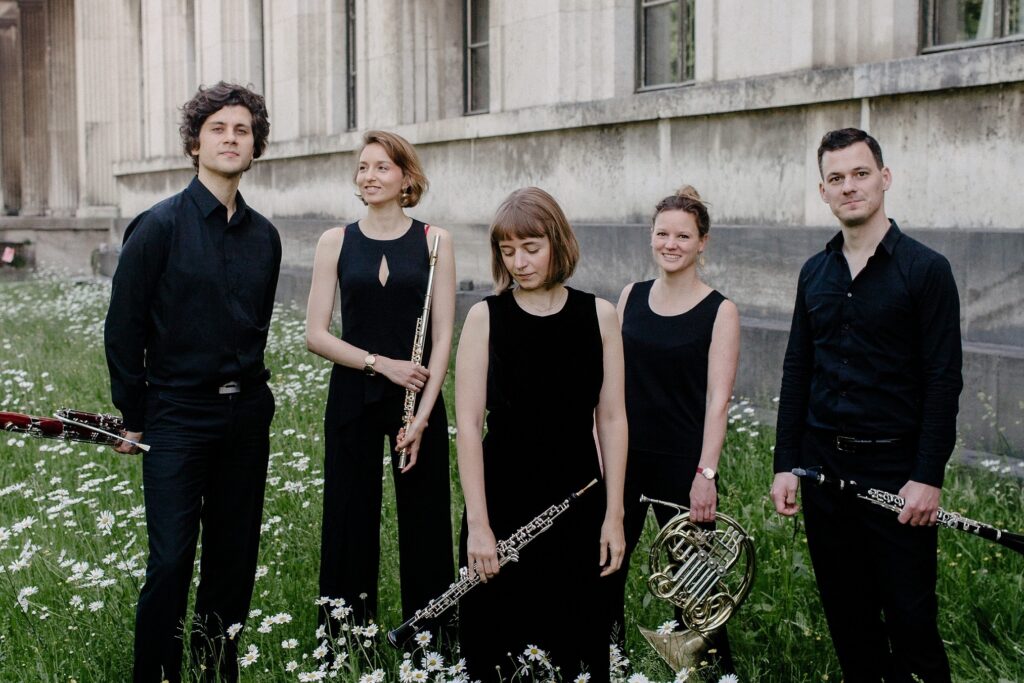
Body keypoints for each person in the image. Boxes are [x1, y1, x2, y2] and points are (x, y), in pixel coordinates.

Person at [770, 128, 963, 682]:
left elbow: (942, 380)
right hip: (823, 472)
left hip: (896, 473)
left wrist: (927, 476)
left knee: (911, 622)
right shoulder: (814, 272)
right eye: (836, 178)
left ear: (885, 177)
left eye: (860, 173)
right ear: (823, 191)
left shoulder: (926, 270)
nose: (849, 186)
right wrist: (786, 463)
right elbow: (797, 369)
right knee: (849, 623)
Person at [104, 82, 280, 683]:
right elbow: (123, 330)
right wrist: (133, 415)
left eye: (242, 130)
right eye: (218, 129)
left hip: (246, 416)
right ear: (195, 143)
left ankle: (215, 673)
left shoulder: (265, 237)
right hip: (176, 415)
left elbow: (255, 326)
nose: (231, 139)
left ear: (255, 146)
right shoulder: (156, 227)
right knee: (172, 562)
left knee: (233, 561)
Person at [455, 187, 627, 682]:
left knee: (575, 647)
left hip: (579, 499)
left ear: (558, 242)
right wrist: (479, 526)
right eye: (508, 251)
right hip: (502, 501)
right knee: (500, 649)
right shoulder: (485, 317)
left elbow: (612, 419)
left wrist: (614, 514)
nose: (519, 263)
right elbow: (468, 426)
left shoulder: (600, 315)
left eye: (531, 248)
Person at [305, 131, 456, 637]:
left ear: (407, 177)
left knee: (426, 519)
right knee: (348, 515)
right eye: (363, 167)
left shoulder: (435, 241)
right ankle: (345, 638)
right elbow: (316, 335)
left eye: (382, 167)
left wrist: (425, 415)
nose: (369, 176)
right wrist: (381, 364)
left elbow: (442, 338)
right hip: (354, 394)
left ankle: (429, 638)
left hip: (418, 397)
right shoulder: (335, 241)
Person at [605, 186, 740, 668]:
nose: (671, 244)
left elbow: (718, 401)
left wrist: (706, 474)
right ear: (651, 236)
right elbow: (610, 382)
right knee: (606, 564)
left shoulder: (720, 310)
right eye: (663, 233)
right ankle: (609, 660)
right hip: (625, 456)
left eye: (683, 236)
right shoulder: (631, 296)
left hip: (684, 463)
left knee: (695, 582)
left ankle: (710, 670)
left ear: (703, 242)